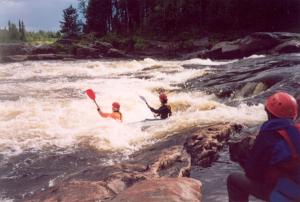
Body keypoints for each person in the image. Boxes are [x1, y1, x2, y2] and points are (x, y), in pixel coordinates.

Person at [227, 92, 300, 202]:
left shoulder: (268, 136)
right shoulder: (297, 129)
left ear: (268, 113)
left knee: (233, 179)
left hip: (288, 196)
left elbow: (253, 172)